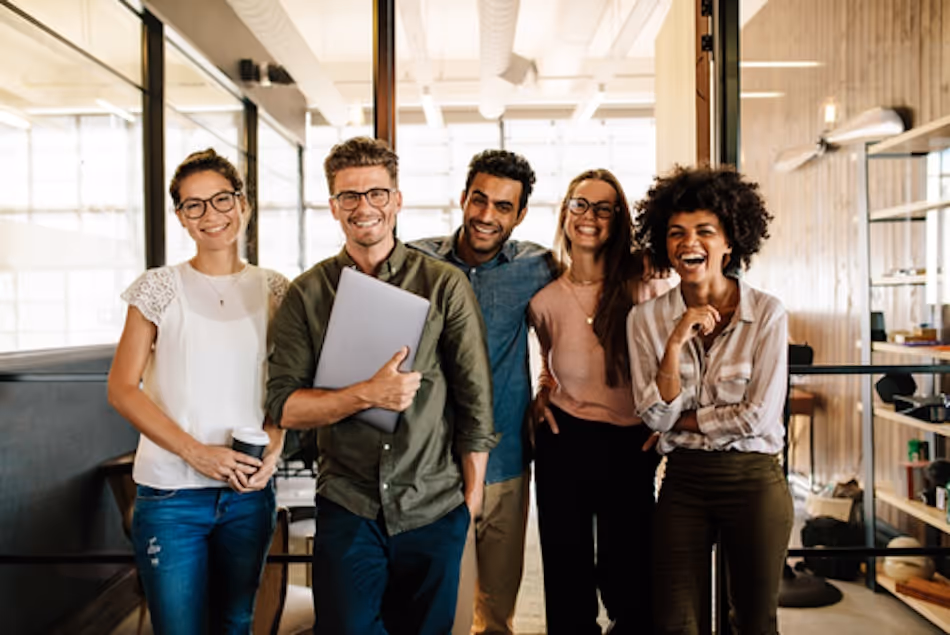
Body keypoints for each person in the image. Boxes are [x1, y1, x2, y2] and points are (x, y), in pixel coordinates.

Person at [265, 136, 496, 635]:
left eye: (376, 193)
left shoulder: (442, 284)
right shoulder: (307, 294)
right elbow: (284, 407)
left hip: (433, 504)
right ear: (333, 207)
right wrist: (367, 394)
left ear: (396, 199)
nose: (363, 206)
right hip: (349, 505)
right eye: (349, 196)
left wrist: (468, 505)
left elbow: (475, 403)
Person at [107, 149, 287, 635]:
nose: (211, 215)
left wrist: (276, 444)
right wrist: (197, 453)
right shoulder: (157, 288)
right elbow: (122, 389)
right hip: (171, 496)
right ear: (181, 218)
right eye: (194, 205)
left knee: (235, 622)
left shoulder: (274, 289)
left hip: (247, 496)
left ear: (243, 204)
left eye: (222, 200)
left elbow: (286, 388)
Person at [627, 165, 793, 635]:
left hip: (754, 480)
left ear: (730, 242)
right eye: (676, 233)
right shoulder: (646, 320)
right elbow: (654, 414)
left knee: (755, 622)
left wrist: (683, 422)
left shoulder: (767, 313)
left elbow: (759, 417)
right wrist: (676, 339)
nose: (688, 243)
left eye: (704, 231)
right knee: (676, 622)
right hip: (684, 482)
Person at [410, 150, 556, 635]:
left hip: (507, 461)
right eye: (479, 200)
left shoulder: (539, 267)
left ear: (520, 214)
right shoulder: (414, 262)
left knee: (495, 613)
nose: (487, 216)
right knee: (433, 609)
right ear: (463, 198)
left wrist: (549, 381)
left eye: (502, 206)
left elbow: (585, 307)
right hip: (431, 466)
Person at [528, 169, 668, 635]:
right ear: (566, 213)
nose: (590, 216)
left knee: (631, 579)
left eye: (603, 208)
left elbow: (675, 356)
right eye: (580, 204)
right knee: (566, 577)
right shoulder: (544, 299)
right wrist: (543, 391)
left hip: (632, 444)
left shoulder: (645, 282)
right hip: (564, 440)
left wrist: (668, 419)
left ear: (618, 219)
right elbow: (550, 359)